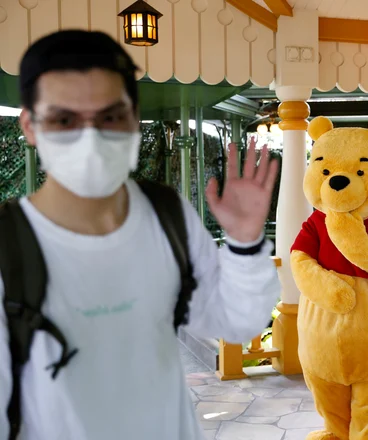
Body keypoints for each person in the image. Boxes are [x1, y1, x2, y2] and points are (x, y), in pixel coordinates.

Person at [0, 30, 281, 439]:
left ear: (134, 119)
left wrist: (244, 243)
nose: (90, 136)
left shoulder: (166, 216)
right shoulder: (8, 248)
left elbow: (235, 323)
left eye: (110, 116)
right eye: (64, 119)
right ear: (29, 125)